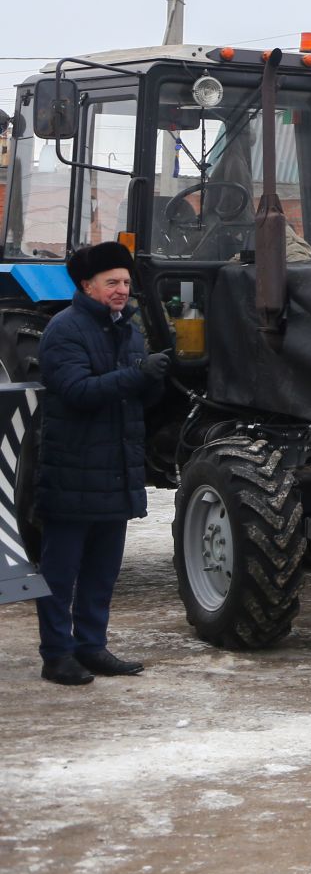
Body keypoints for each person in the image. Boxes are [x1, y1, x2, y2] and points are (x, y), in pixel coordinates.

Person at [34, 241, 170, 686]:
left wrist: (157, 383)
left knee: (102, 571)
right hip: (72, 472)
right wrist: (137, 375)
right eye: (112, 282)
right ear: (87, 285)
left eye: (127, 283)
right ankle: (57, 655)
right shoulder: (64, 329)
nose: (122, 290)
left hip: (115, 471)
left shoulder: (128, 330)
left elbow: (132, 400)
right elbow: (78, 392)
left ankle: (91, 646)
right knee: (61, 572)